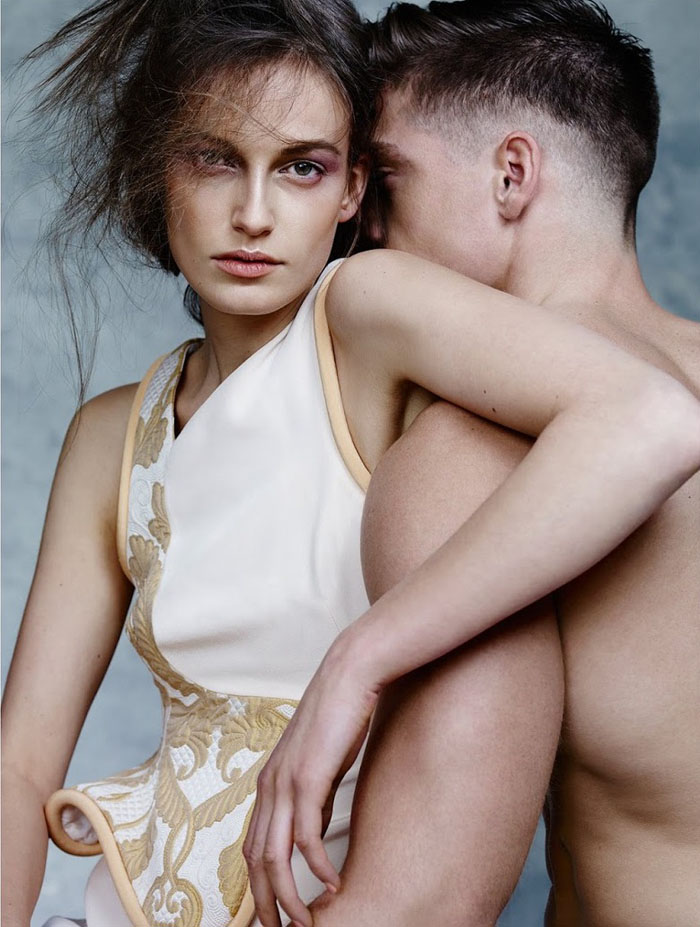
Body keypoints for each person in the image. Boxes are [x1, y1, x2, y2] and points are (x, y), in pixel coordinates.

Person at [2, 1, 700, 926]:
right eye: (212, 157)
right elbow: (20, 762)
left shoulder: (412, 373)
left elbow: (651, 421)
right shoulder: (120, 433)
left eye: (320, 169)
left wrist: (357, 659)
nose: (259, 216)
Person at [256, 2, 700, 925]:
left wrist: (357, 658)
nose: (366, 227)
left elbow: (421, 903)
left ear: (511, 174)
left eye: (391, 182)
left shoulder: (489, 443)